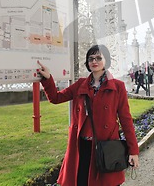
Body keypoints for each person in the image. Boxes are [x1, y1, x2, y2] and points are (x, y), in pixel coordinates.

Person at [37, 44, 139, 186]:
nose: (94, 61)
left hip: (104, 147)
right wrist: (48, 78)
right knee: (81, 181)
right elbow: (55, 98)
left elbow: (126, 120)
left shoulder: (117, 86)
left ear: (106, 61)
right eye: (91, 58)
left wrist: (133, 151)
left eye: (98, 58)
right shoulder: (80, 85)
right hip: (82, 146)